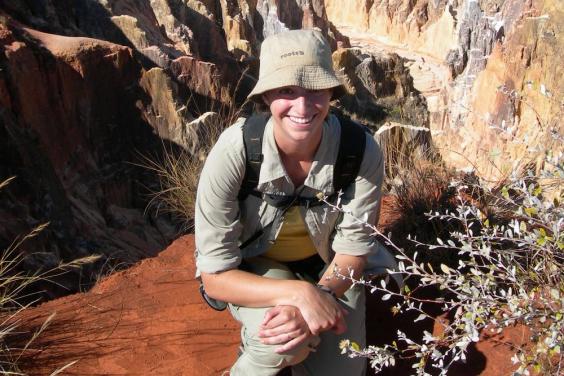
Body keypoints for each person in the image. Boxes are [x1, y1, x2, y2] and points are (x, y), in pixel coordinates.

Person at [195, 29, 396, 375]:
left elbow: (352, 251)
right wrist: (300, 296)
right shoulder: (235, 154)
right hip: (255, 266)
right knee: (281, 340)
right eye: (287, 91)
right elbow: (215, 277)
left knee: (342, 370)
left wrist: (322, 294)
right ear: (267, 95)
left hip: (329, 267)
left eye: (315, 90)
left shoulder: (359, 151)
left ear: (331, 92)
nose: (302, 106)